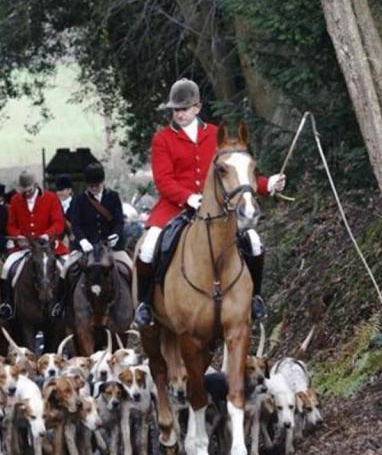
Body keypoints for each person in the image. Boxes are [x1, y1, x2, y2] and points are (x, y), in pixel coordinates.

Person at [133, 78, 287, 328]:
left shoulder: (216, 134)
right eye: (175, 109)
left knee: (255, 244)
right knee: (149, 248)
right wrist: (189, 198)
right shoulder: (162, 139)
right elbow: (163, 180)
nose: (179, 114)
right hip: (174, 207)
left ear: (197, 107)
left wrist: (267, 184)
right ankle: (146, 304)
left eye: (184, 108)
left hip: (217, 209)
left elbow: (236, 173)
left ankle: (256, 298)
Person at [0, 171, 68, 318]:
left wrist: (47, 235)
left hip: (49, 246)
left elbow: (58, 222)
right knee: (6, 268)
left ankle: (65, 304)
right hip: (25, 247)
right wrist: (18, 236)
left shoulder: (51, 198)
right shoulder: (15, 200)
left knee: (67, 268)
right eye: (23, 192)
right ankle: (7, 304)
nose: (26, 195)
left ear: (36, 186)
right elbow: (11, 224)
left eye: (29, 191)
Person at [64, 163, 127, 270]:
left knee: (129, 267)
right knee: (66, 269)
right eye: (90, 186)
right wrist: (82, 240)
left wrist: (115, 234)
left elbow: (119, 221)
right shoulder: (78, 200)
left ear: (102, 182)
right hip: (84, 246)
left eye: (96, 185)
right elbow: (75, 224)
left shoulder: (113, 196)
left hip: (111, 246)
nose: (93, 188)